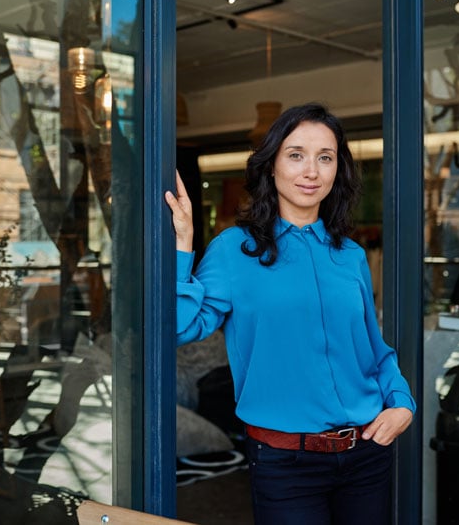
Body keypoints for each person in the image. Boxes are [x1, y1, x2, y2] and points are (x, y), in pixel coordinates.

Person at [164, 102, 415, 525]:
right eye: (296, 155)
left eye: (325, 157)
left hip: (367, 454)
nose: (311, 171)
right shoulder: (234, 250)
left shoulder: (350, 256)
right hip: (286, 463)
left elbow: (375, 351)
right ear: (272, 165)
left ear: (339, 170)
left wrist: (403, 403)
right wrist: (182, 245)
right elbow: (177, 327)